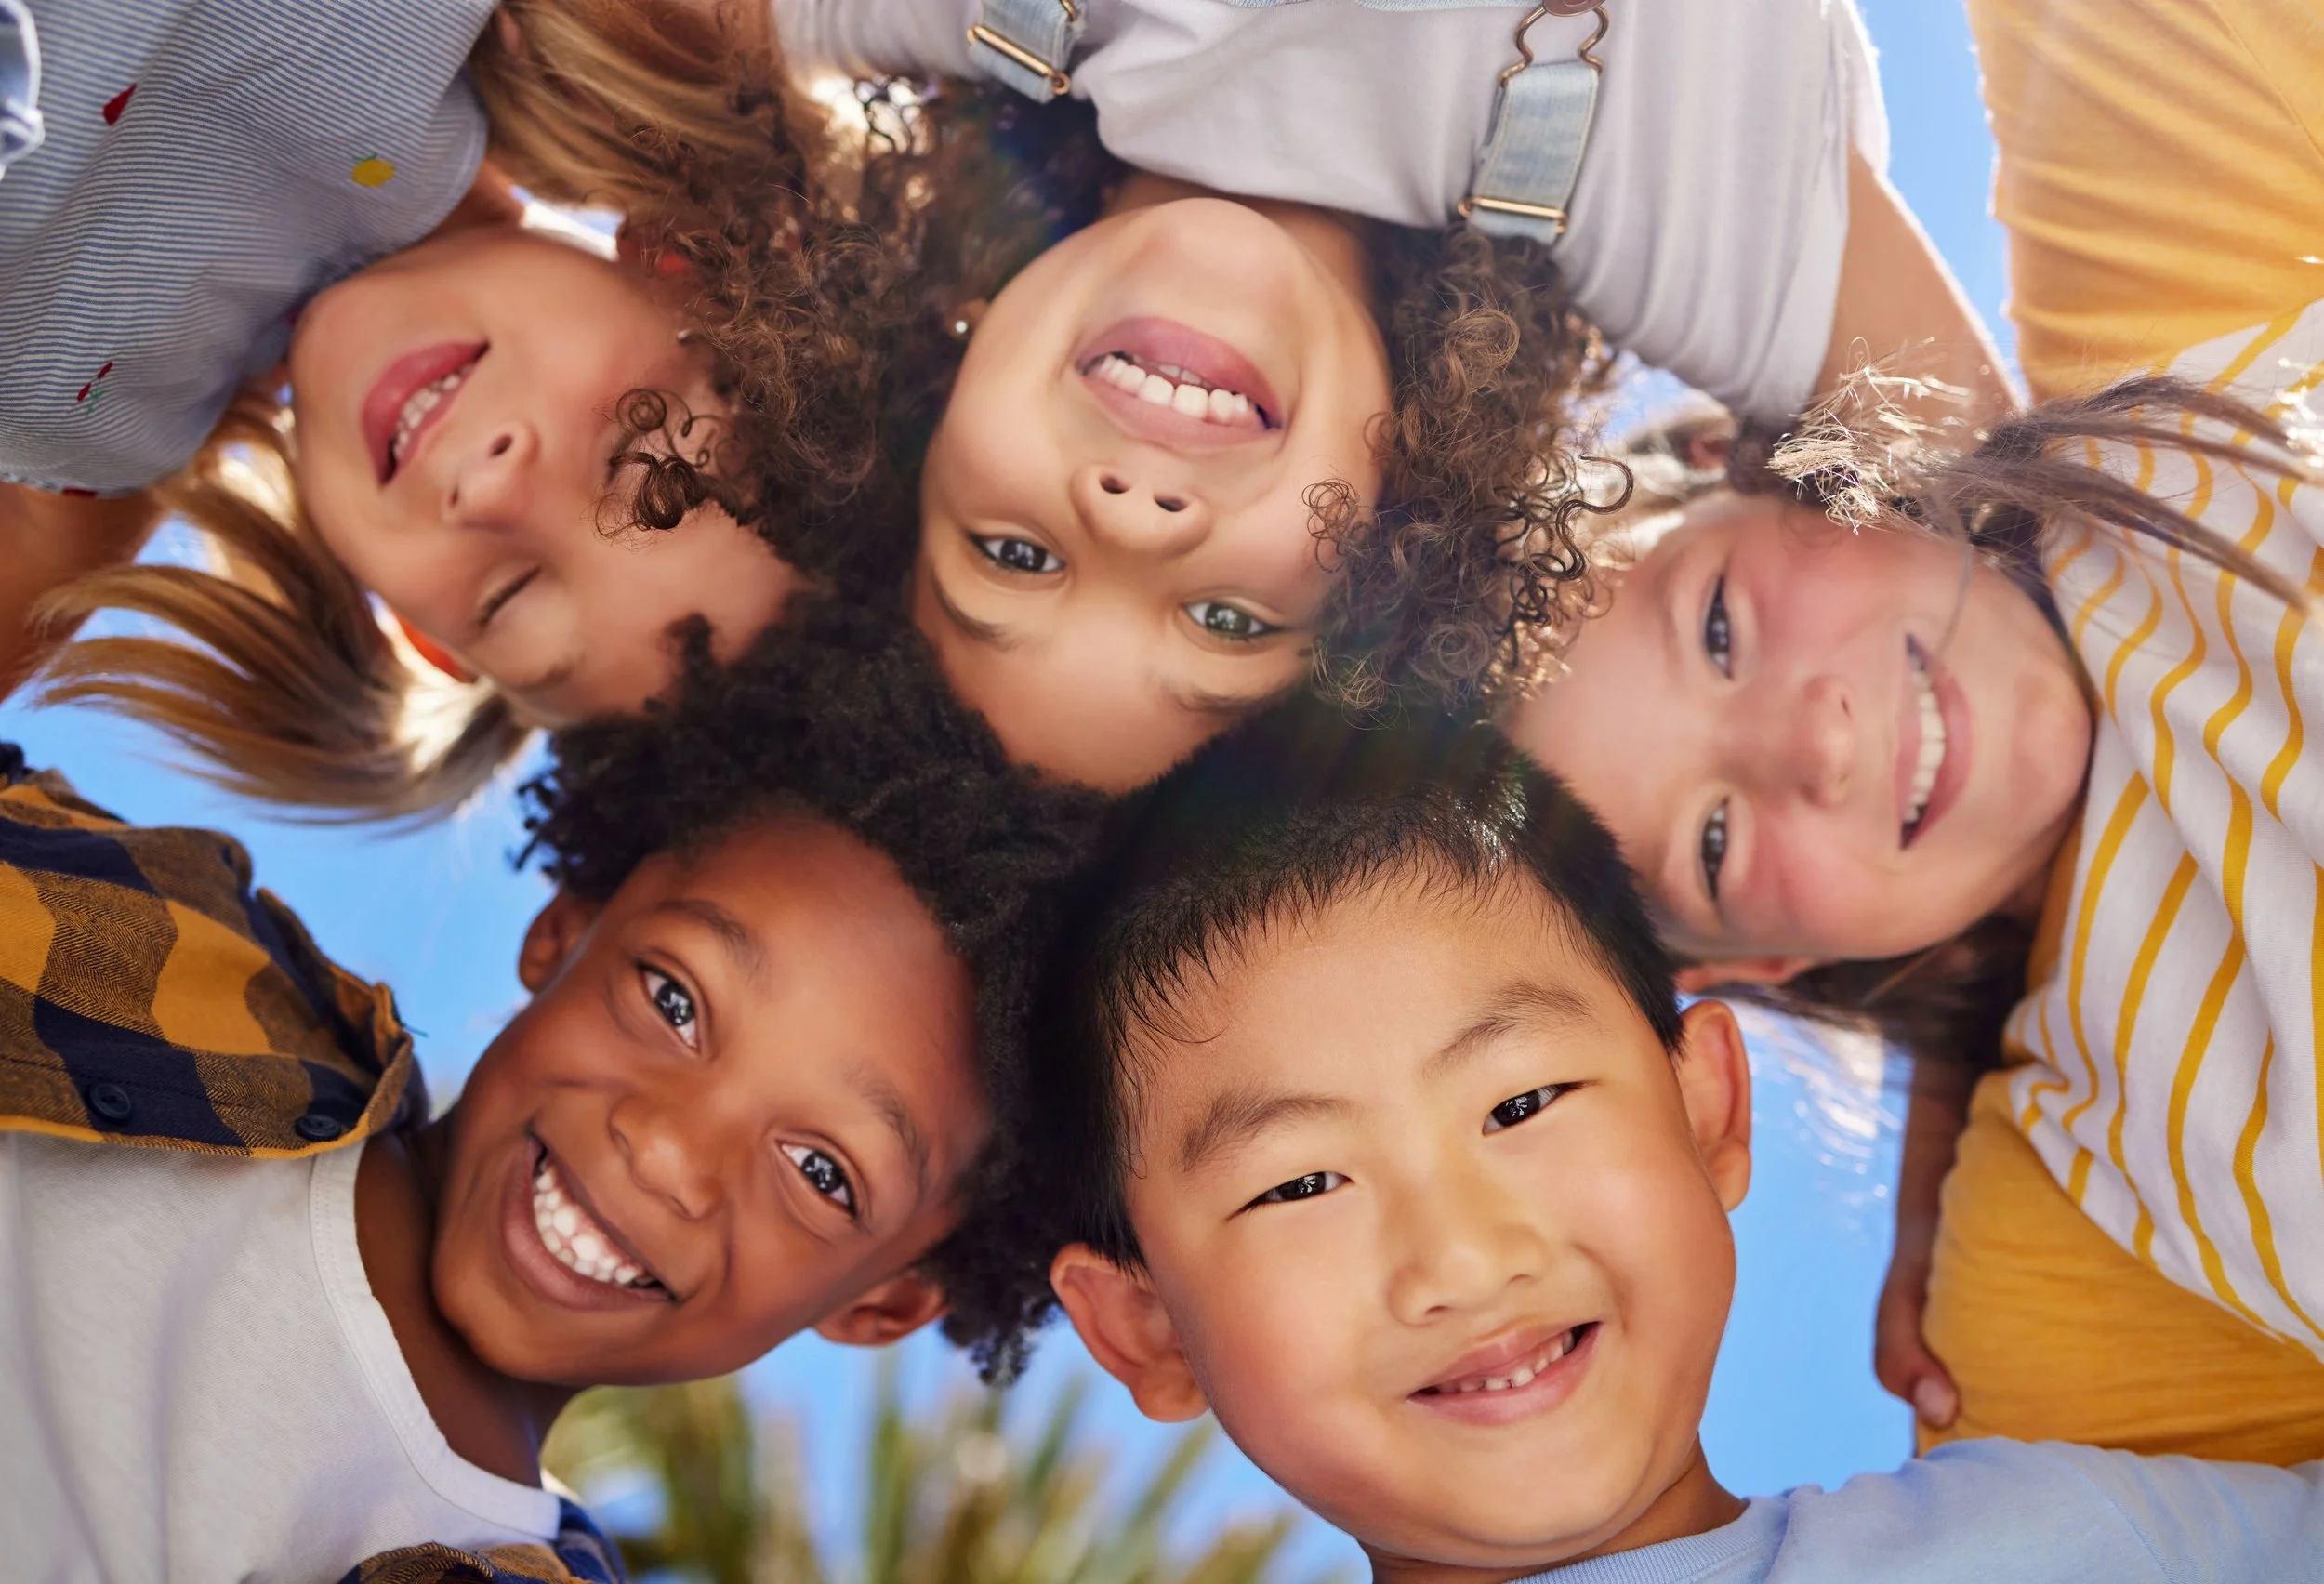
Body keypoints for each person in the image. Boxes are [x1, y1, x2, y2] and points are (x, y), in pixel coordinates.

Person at [991, 704, 2324, 1583]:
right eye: (1301, 1183)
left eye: (1520, 1104)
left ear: (1707, 1113)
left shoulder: (2083, 1546)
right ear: (1146, 1328)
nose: (1459, 1253)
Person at [0, 593, 1098, 1582]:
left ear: (881, 1301)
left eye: (822, 1171)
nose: (667, 1151)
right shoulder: (174, 958)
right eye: (674, 1002)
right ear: (564, 928)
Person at [776, 0, 2010, 790]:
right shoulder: (1659, 200)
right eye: (1227, 623)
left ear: (924, 395)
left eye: (1009, 554)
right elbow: (2046, 519)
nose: (1127, 517)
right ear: (1397, 553)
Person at [1499, 350, 2324, 1461]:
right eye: (1713, 842)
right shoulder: (2060, 1238)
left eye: (1719, 629)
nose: (1822, 741)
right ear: (1762, 965)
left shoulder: (2142, 368)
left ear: (1740, 460)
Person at [0, 0, 903, 818]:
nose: (497, 491)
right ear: (693, 278)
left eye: (507, 595)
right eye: (633, 454)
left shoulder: (100, 446)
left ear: (422, 637)